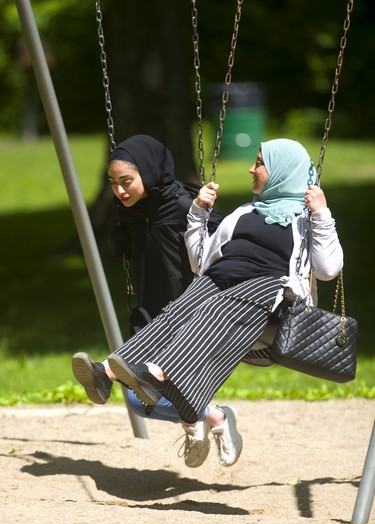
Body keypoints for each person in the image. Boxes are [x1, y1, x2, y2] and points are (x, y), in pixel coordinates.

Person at [73, 138, 343, 466]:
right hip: (222, 289)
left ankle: (158, 374)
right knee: (184, 305)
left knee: (217, 303)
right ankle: (106, 374)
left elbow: (329, 269)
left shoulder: (306, 220)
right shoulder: (243, 214)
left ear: (282, 171)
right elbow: (200, 262)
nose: (251, 169)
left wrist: (322, 214)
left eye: (259, 163)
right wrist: (199, 213)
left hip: (273, 303)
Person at [72, 134, 241, 468]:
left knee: (150, 389)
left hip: (187, 315)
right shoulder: (133, 212)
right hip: (151, 313)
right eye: (113, 183)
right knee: (138, 402)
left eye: (126, 182)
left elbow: (228, 245)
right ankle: (208, 418)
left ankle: (212, 419)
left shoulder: (183, 207)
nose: (119, 191)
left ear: (148, 174)